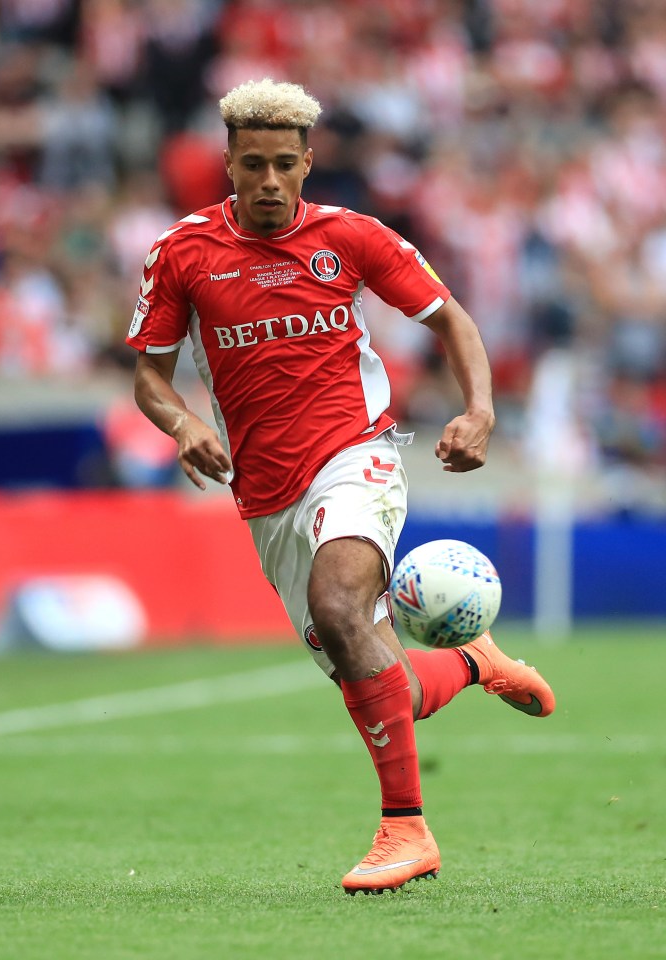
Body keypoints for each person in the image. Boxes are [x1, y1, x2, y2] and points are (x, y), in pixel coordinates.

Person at [127, 78, 555, 895]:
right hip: (266, 493)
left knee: (338, 605)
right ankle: (471, 666)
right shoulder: (180, 252)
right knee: (376, 671)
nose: (268, 182)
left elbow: (450, 318)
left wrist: (479, 410)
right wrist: (183, 424)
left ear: (308, 163)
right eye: (252, 165)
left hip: (357, 454)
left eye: (284, 165)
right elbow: (149, 376)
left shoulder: (352, 237)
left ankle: (406, 831)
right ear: (227, 164)